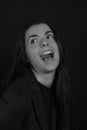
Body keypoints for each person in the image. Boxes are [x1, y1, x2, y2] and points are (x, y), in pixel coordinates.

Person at [0, 19, 75, 130]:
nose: (44, 42)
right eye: (33, 41)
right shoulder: (15, 97)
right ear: (26, 57)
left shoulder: (61, 86)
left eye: (49, 36)